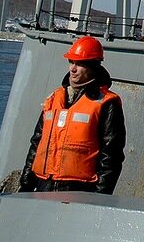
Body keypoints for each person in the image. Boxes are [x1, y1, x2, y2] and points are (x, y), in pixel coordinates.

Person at [19, 35, 126, 194]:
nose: (72, 69)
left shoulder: (106, 103)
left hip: (79, 190)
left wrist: (100, 196)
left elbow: (111, 155)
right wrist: (26, 185)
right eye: (71, 62)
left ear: (93, 67)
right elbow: (36, 143)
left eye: (79, 64)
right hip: (42, 186)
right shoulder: (53, 99)